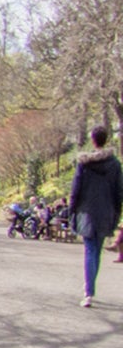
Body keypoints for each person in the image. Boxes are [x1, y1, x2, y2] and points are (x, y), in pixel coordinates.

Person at [68, 125, 123, 306]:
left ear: (93, 139)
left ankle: (88, 291)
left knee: (89, 250)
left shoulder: (85, 163)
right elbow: (119, 192)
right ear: (106, 139)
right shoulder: (115, 164)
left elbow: (76, 189)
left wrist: (72, 210)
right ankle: (90, 287)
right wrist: (116, 212)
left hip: (87, 211)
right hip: (106, 211)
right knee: (96, 250)